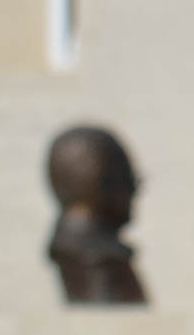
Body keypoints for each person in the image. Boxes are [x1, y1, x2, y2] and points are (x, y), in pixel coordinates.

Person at [44, 125, 147, 305]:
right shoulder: (100, 260)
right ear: (98, 181)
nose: (134, 187)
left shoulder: (109, 256)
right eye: (125, 175)